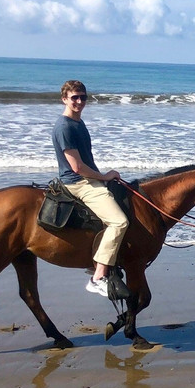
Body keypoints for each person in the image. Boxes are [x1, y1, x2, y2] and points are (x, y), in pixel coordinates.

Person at [51, 80, 129, 297]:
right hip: (79, 184)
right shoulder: (65, 127)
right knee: (119, 222)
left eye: (82, 97)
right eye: (74, 97)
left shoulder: (78, 123)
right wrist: (103, 177)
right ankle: (98, 277)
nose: (79, 101)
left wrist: (104, 178)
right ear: (64, 99)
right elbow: (76, 167)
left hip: (88, 179)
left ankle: (99, 260)